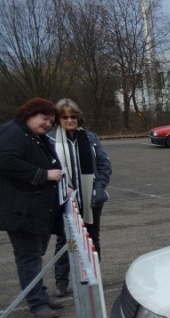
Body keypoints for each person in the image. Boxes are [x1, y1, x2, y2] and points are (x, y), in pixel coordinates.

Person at [0, 98, 65, 318]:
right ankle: (36, 302)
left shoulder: (32, 135)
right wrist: (43, 174)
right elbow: (4, 161)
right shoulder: (11, 133)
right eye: (44, 119)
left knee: (35, 254)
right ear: (30, 114)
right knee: (28, 256)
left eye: (51, 122)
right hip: (19, 209)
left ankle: (40, 295)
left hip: (35, 209)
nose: (48, 124)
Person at [49, 98, 112, 297]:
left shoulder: (90, 138)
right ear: (58, 119)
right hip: (64, 201)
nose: (69, 120)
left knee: (92, 239)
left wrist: (98, 187)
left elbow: (104, 164)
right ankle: (61, 282)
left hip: (90, 200)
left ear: (78, 117)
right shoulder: (50, 140)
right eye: (64, 117)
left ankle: (92, 276)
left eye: (73, 116)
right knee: (64, 241)